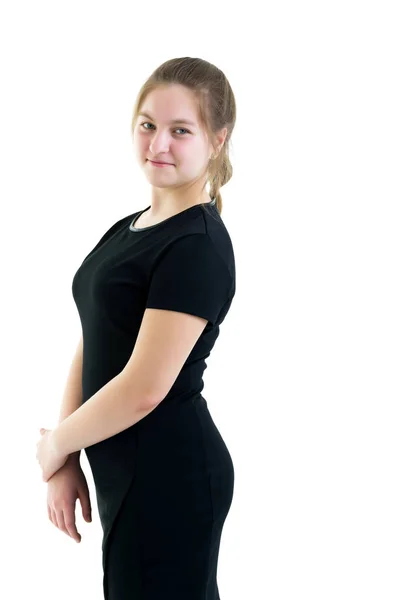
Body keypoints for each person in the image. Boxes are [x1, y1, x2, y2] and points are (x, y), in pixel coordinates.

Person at [40, 56, 237, 599]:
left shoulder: (196, 247)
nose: (159, 144)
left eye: (181, 130)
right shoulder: (132, 228)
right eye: (149, 124)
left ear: (216, 141)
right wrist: (65, 458)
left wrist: (56, 443)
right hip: (128, 474)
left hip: (169, 479)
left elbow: (144, 390)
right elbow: (95, 333)